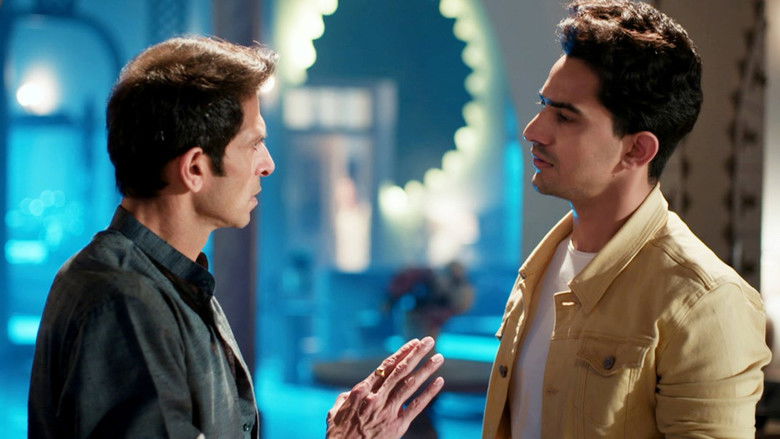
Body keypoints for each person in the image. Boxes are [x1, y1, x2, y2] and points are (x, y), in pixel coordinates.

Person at [28, 37, 444, 439]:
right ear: (195, 168)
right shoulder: (125, 299)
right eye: (254, 143)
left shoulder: (171, 283)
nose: (268, 164)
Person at [482, 1, 771, 438]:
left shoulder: (705, 301)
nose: (533, 131)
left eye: (565, 116)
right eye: (543, 105)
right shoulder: (542, 266)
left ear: (637, 150)